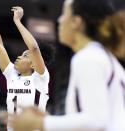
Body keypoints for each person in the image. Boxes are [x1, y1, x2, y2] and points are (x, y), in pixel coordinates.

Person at [8, 0, 125, 131]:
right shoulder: (105, 58)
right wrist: (50, 120)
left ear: (76, 22)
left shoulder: (89, 57)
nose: (60, 20)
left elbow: (97, 120)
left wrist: (42, 123)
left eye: (64, 14)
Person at [0, 6, 55, 114]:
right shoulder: (12, 74)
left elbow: (34, 48)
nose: (19, 57)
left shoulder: (40, 77)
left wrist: (17, 21)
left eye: (25, 56)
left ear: (34, 65)